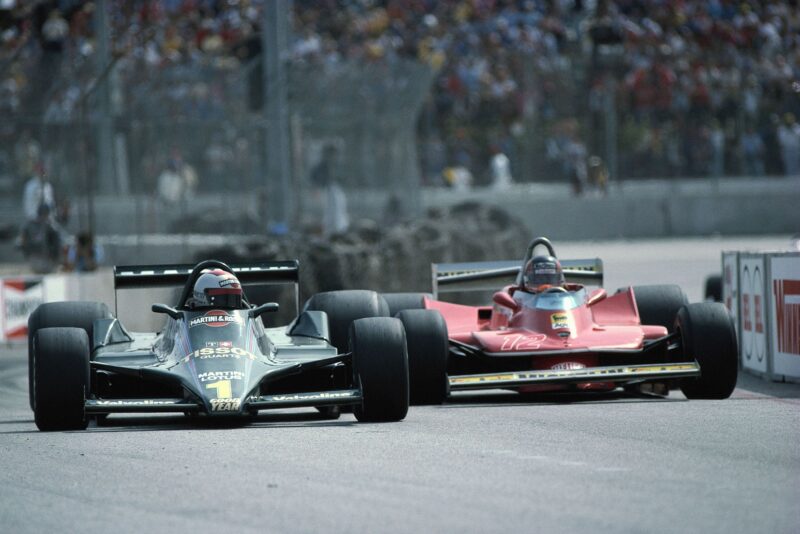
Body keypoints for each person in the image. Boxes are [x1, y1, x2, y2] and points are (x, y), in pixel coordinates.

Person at [19, 204, 61, 274]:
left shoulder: (47, 226)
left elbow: (55, 242)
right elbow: (23, 240)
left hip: (38, 258)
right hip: (38, 258)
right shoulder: (44, 226)